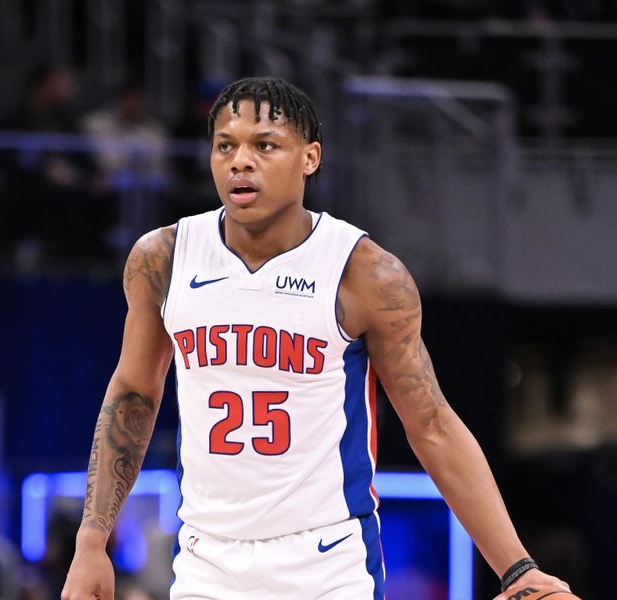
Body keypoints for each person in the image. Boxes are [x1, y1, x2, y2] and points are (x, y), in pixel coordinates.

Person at [61, 76, 572, 600]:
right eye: (225, 146)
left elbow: (432, 425)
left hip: (327, 564)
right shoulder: (162, 259)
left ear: (310, 158)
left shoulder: (365, 273)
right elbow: (133, 397)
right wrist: (91, 542)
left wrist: (516, 568)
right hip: (205, 560)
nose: (240, 161)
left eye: (264, 145)